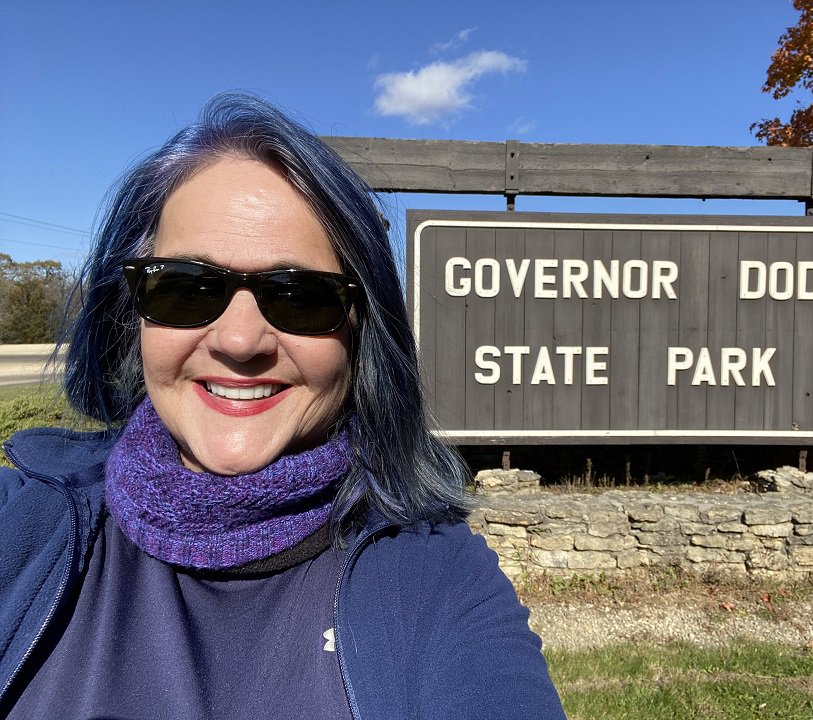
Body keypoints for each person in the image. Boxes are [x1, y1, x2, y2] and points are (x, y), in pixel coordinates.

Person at [0, 94, 566, 719]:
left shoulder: (434, 579)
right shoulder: (24, 527)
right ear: (131, 313)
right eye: (186, 288)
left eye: (299, 298)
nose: (240, 342)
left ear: (361, 336)